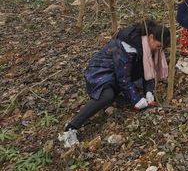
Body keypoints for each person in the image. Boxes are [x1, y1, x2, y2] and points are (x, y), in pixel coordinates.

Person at [59, 20, 169, 148]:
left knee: (137, 84)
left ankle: (123, 93)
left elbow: (146, 69)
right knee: (107, 96)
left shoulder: (144, 46)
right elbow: (123, 78)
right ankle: (71, 127)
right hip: (100, 72)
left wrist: (149, 90)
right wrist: (136, 99)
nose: (159, 50)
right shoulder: (127, 47)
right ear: (151, 37)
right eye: (159, 46)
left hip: (118, 72)